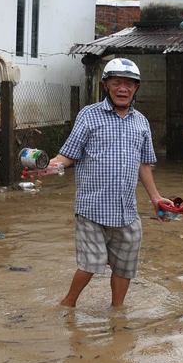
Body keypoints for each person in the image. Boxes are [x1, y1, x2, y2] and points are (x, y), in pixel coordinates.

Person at [48, 57, 167, 308]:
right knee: (91, 264)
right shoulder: (89, 116)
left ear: (136, 88)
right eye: (117, 83)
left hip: (127, 211)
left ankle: (118, 312)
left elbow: (144, 165)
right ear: (106, 85)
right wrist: (50, 166)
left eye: (129, 84)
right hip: (93, 209)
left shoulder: (141, 122)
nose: (123, 89)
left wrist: (156, 198)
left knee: (125, 267)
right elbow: (68, 155)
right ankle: (67, 305)